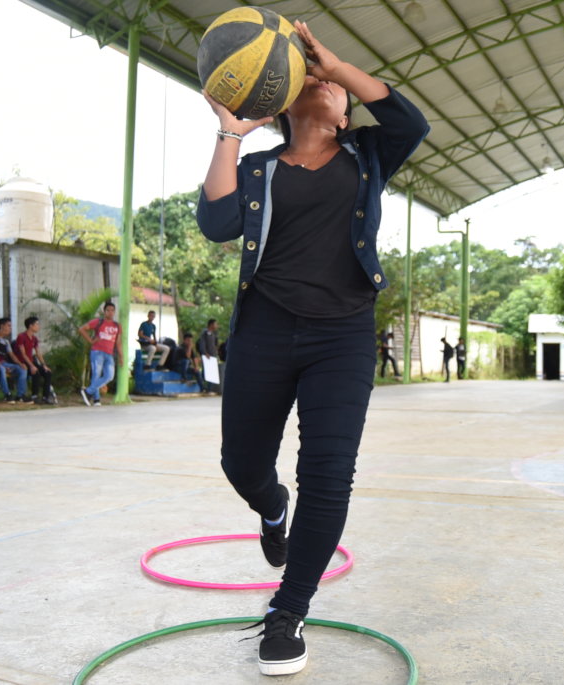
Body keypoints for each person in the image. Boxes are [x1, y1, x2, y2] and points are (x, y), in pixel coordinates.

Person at [196, 20, 428, 677]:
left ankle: (287, 610)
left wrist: (334, 64)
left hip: (343, 335)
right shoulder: (259, 167)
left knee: (328, 473)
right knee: (241, 463)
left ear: (346, 112)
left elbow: (410, 121)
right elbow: (216, 220)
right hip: (264, 330)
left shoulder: (368, 156)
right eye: (310, 81)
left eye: (334, 88)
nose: (323, 87)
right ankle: (271, 508)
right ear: (285, 100)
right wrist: (230, 132)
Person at [78, 301, 121, 407]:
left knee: (109, 376)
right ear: (104, 311)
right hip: (97, 352)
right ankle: (96, 400)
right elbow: (82, 329)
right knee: (96, 375)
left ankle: (88, 392)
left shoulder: (117, 325)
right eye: (108, 310)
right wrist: (91, 341)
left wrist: (121, 356)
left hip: (109, 353)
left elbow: (118, 342)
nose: (110, 312)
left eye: (112, 310)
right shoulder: (98, 322)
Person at [15, 316, 55, 404]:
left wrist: (44, 365)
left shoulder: (34, 339)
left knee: (47, 373)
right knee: (35, 372)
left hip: (31, 362)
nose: (38, 326)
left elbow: (38, 353)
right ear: (30, 325)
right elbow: (23, 354)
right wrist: (32, 366)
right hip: (23, 362)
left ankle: (46, 396)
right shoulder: (21, 336)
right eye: (37, 324)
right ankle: (34, 396)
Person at [0, 317, 28, 403]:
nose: (10, 328)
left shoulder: (6, 342)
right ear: (2, 326)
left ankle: (20, 395)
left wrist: (20, 364)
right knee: (2, 369)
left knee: (22, 369)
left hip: (4, 363)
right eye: (9, 326)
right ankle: (7, 394)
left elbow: (12, 355)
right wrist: (2, 366)